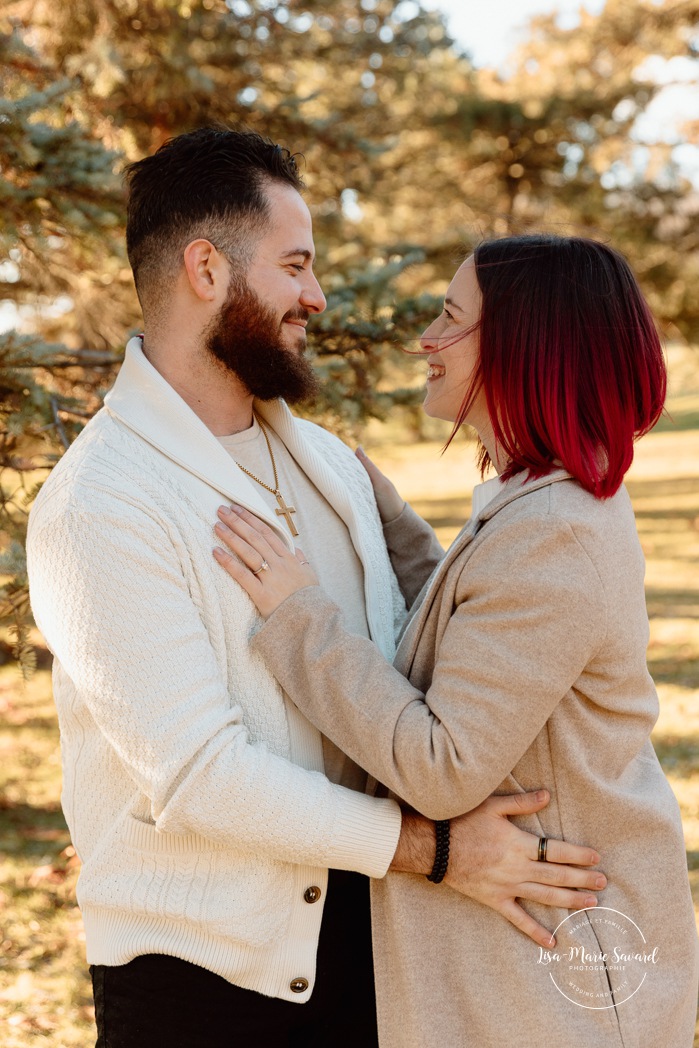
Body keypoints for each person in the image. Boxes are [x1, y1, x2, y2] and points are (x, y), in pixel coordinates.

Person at [26, 133, 603, 1048]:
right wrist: (438, 851)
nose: (316, 297)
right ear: (206, 269)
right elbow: (199, 779)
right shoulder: (102, 504)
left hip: (374, 955)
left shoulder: (328, 463)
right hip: (202, 986)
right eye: (294, 265)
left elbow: (416, 655)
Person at [212, 234, 699, 1048]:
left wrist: (298, 615)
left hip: (562, 984)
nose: (425, 341)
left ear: (521, 343)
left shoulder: (555, 532)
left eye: (449, 318)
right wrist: (387, 520)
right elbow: (482, 635)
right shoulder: (539, 503)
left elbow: (441, 769)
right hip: (535, 964)